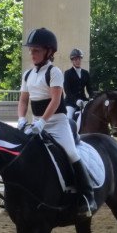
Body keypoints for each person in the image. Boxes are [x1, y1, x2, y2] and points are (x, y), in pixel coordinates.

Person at [17, 28, 97, 217]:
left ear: (48, 51)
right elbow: (23, 100)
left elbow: (55, 100)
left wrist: (43, 121)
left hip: (57, 122)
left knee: (70, 152)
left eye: (36, 50)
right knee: (22, 152)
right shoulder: (27, 75)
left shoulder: (55, 72)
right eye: (31, 50)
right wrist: (21, 118)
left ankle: (88, 196)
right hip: (36, 122)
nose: (32, 54)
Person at [63, 48, 94, 119]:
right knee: (69, 118)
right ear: (72, 60)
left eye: (79, 59)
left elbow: (89, 88)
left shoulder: (85, 73)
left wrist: (92, 98)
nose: (78, 61)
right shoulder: (68, 73)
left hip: (83, 101)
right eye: (75, 59)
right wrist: (76, 101)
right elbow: (67, 90)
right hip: (71, 103)